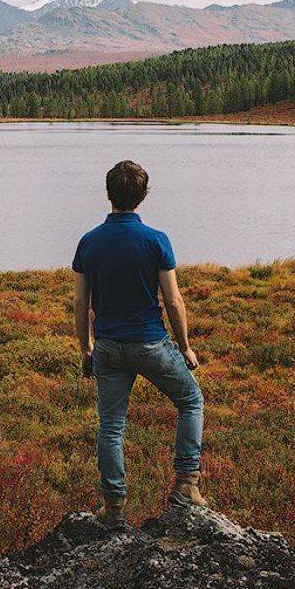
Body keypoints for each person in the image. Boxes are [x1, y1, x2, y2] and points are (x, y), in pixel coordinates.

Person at [73, 160, 205, 525]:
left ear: (108, 193)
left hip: (109, 347)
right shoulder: (156, 240)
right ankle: (186, 486)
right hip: (150, 343)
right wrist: (185, 347)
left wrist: (86, 349)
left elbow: (81, 303)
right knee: (191, 400)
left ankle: (114, 508)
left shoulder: (89, 242)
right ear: (142, 197)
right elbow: (174, 301)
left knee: (111, 425)